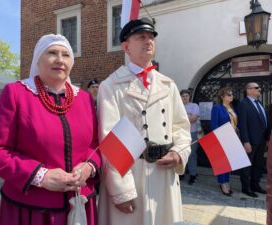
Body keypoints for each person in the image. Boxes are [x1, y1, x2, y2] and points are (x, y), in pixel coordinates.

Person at [0, 34, 101, 225]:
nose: (60, 60)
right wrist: (41, 176)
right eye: (52, 53)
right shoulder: (16, 93)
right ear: (38, 59)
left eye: (66, 55)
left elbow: (95, 145)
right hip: (31, 209)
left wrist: (89, 167)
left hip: (80, 203)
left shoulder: (84, 99)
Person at [97, 18, 191, 225]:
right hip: (131, 173)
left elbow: (181, 127)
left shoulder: (168, 84)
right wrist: (121, 190)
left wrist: (178, 153)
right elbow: (110, 137)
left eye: (151, 37)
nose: (148, 41)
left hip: (163, 173)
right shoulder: (111, 85)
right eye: (141, 37)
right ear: (126, 46)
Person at [238, 82, 270, 198]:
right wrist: (246, 141)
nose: (259, 89)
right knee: (247, 165)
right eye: (257, 88)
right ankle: (246, 188)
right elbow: (243, 125)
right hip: (250, 141)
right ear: (249, 90)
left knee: (258, 164)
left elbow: (264, 121)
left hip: (261, 140)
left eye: (259, 87)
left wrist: (267, 138)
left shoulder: (259, 103)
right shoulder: (243, 104)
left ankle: (255, 185)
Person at [211, 87, 238, 196]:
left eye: (231, 94)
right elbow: (214, 124)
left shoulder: (231, 107)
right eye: (229, 94)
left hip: (232, 137)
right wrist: (219, 138)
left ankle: (226, 181)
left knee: (228, 163)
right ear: (222, 96)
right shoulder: (217, 108)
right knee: (221, 163)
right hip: (222, 138)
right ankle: (223, 184)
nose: (231, 96)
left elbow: (235, 123)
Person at [180, 89, 200, 185]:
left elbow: (193, 119)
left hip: (192, 132)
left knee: (192, 154)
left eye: (186, 96)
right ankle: (181, 173)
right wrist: (188, 116)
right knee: (181, 153)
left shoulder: (194, 106)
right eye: (183, 96)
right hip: (180, 133)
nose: (185, 97)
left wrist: (182, 117)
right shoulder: (178, 107)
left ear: (189, 97)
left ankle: (193, 175)